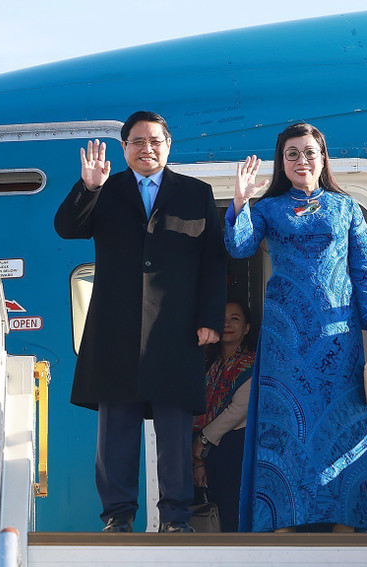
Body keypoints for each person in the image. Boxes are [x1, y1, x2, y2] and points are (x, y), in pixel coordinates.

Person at [54, 111, 227, 533]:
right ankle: (117, 515)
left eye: (154, 141)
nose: (146, 149)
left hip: (177, 330)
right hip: (116, 330)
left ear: (168, 145)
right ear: (124, 148)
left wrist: (209, 319)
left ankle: (176, 517)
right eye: (136, 142)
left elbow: (212, 261)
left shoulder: (195, 192)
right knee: (116, 429)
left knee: (173, 429)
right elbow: (67, 229)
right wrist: (87, 188)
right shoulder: (105, 190)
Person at [225, 123, 367, 533]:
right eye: (292, 154)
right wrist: (241, 201)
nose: (302, 161)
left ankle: (347, 528)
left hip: (340, 336)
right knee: (285, 427)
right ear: (282, 162)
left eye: (309, 152)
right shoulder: (268, 208)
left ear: (322, 157)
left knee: (344, 425)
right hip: (287, 336)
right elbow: (239, 246)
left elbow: (365, 270)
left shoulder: (346, 206)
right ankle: (280, 526)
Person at [192, 301, 256, 532]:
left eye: (235, 318)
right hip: (205, 449)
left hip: (234, 447)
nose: (227, 323)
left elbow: (239, 410)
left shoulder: (253, 364)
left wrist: (203, 439)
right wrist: (197, 454)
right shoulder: (208, 363)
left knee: (231, 513)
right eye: (223, 318)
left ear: (247, 328)